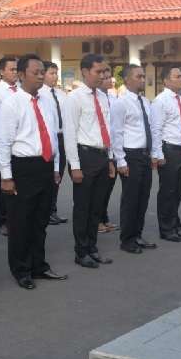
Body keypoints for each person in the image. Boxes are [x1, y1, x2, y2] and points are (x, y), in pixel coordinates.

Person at [0, 54, 67, 289]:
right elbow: (2, 142)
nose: (41, 76)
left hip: (45, 166)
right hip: (22, 168)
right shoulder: (11, 103)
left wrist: (55, 167)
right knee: (21, 222)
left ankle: (39, 265)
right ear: (21, 75)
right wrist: (6, 176)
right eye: (36, 72)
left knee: (40, 220)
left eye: (43, 72)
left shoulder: (46, 101)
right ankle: (21, 269)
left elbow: (52, 136)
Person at [64, 53, 117, 268]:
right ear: (85, 72)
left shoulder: (103, 97)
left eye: (105, 71)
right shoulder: (74, 98)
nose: (103, 75)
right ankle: (81, 251)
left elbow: (107, 129)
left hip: (102, 156)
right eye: (98, 71)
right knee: (83, 207)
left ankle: (92, 248)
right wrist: (75, 166)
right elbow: (69, 133)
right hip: (84, 156)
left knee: (97, 207)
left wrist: (110, 159)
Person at [110, 64, 157, 254]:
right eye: (139, 76)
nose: (143, 80)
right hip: (130, 155)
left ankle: (137, 234)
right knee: (131, 199)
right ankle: (127, 240)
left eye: (143, 76)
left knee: (143, 197)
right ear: (127, 79)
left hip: (144, 155)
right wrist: (120, 160)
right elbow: (116, 133)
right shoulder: (120, 103)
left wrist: (153, 153)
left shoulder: (145, 101)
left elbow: (150, 128)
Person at [151, 67, 181, 242]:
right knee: (167, 191)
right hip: (168, 150)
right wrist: (158, 154)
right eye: (177, 76)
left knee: (178, 190)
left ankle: (175, 224)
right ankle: (166, 229)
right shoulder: (160, 101)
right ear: (166, 81)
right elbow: (156, 129)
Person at [0, 57, 20, 236]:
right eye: (12, 69)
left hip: (21, 146)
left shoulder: (21, 89)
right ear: (1, 72)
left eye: (17, 69)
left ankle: (17, 218)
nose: (15, 72)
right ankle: (4, 220)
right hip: (4, 145)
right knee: (5, 181)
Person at [40, 61, 68, 226]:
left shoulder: (61, 94)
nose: (55, 76)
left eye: (56, 73)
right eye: (51, 73)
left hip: (62, 137)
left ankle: (52, 209)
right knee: (47, 176)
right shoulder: (39, 94)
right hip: (48, 138)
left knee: (58, 175)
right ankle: (44, 210)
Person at [98, 71, 119, 233]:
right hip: (99, 149)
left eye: (110, 77)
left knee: (108, 187)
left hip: (114, 148)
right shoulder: (95, 98)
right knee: (100, 188)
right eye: (105, 78)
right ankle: (97, 220)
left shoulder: (113, 98)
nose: (109, 80)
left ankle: (104, 217)